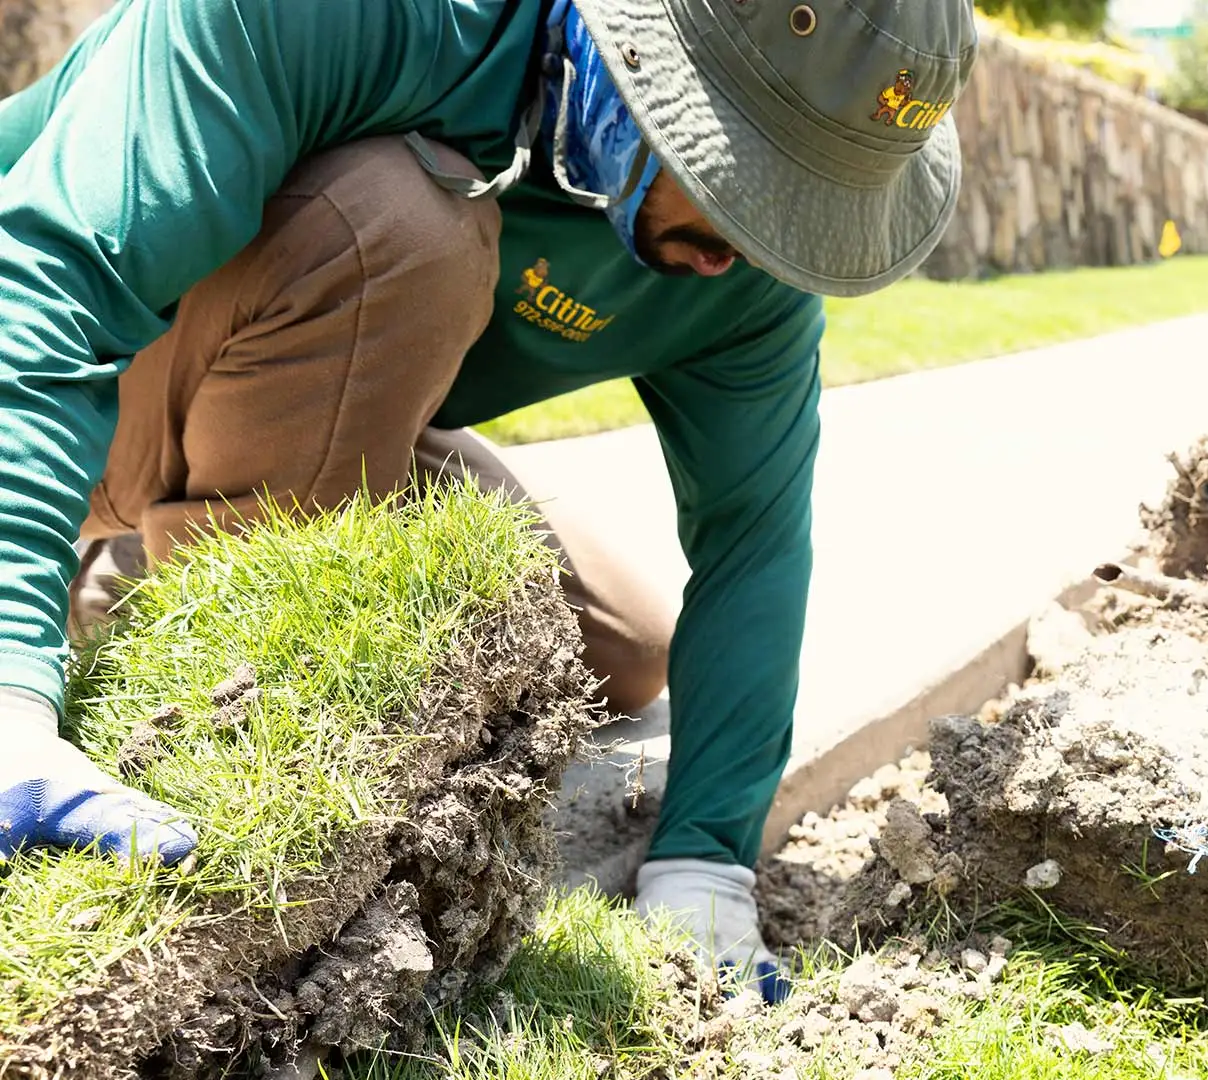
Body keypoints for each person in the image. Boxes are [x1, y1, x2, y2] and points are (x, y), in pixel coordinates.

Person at [0, 0, 976, 1003]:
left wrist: (707, 862)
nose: (746, 249)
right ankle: (206, 662)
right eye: (743, 186)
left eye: (793, 207)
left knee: (615, 649)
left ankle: (136, 571)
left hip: (284, 377)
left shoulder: (745, 273)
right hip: (76, 351)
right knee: (402, 228)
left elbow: (756, 541)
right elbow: (50, 272)